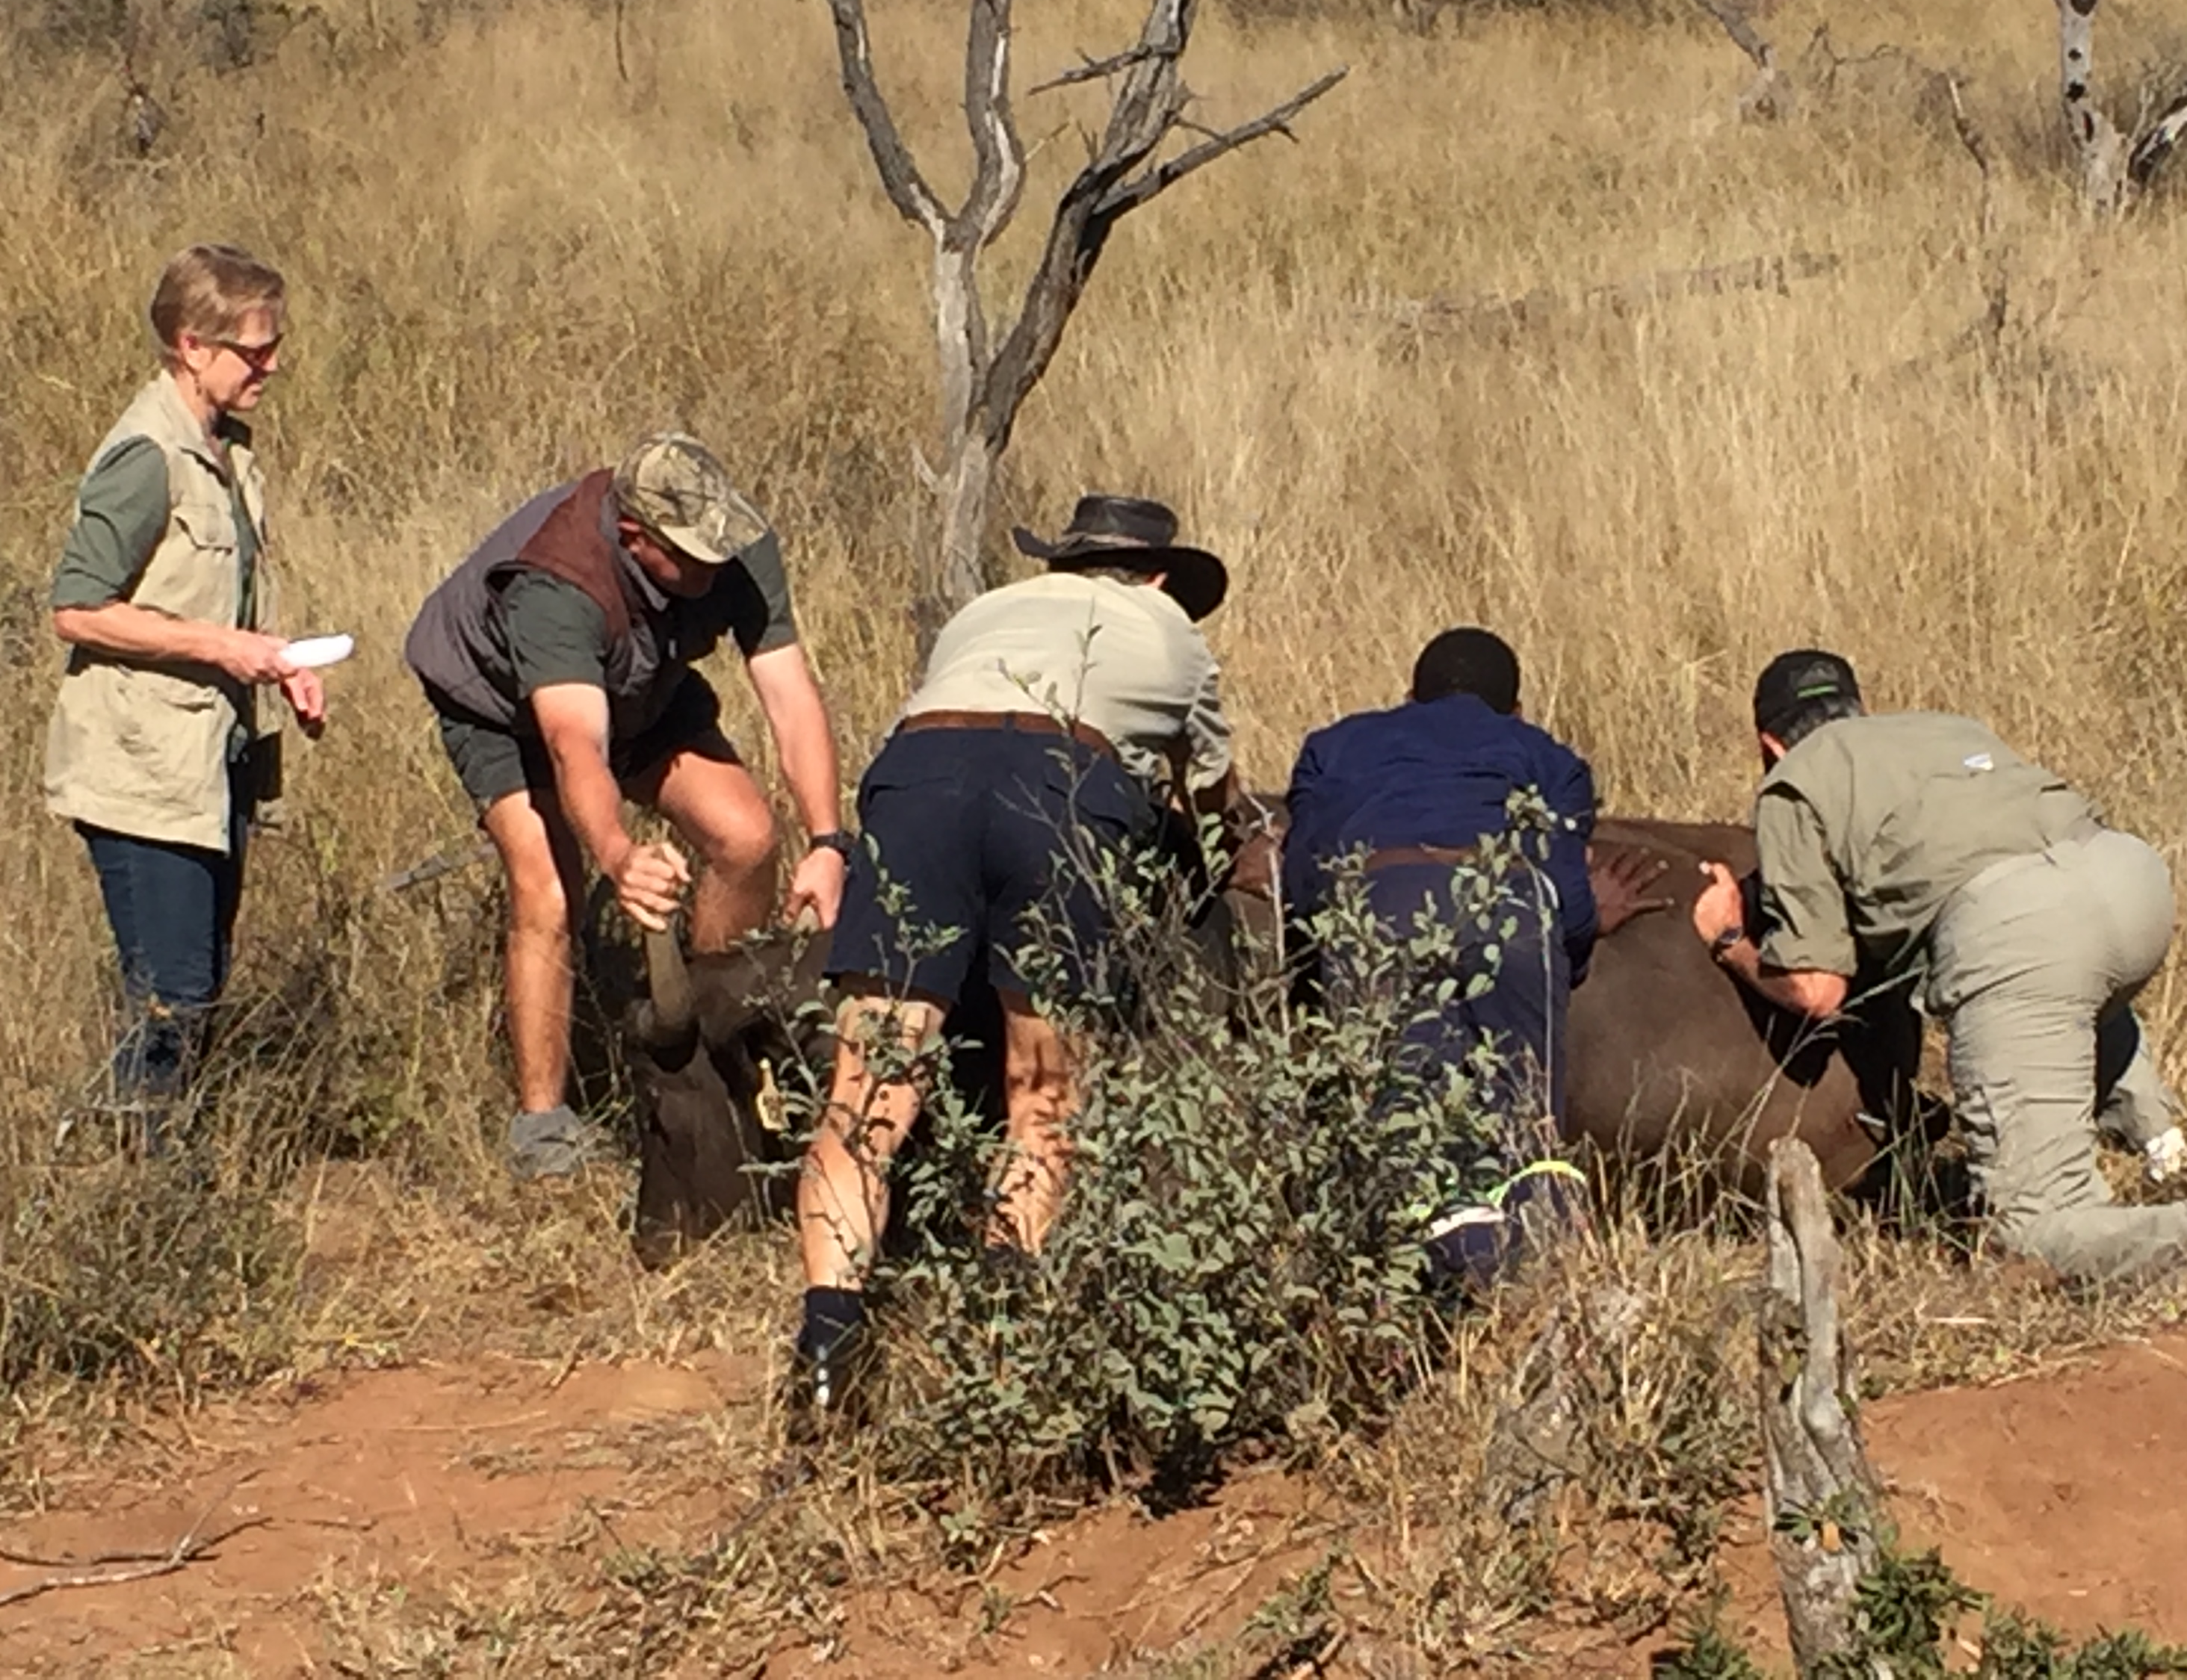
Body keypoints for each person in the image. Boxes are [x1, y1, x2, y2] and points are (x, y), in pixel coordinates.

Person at [793, 495, 1240, 1409]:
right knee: (1043, 1097)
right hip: (1062, 783)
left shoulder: (982, 611)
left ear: (1062, 566)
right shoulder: (1169, 630)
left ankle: (828, 1356)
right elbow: (1214, 801)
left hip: (919, 779)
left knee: (867, 1093)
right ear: (1157, 577)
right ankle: (1001, 1358)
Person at [405, 435, 847, 1180]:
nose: (714, 564)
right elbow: (574, 743)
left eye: (719, 547)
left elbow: (790, 695)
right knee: (549, 889)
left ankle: (707, 1047)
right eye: (691, 555)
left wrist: (830, 841)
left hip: (642, 687)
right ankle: (543, 1130)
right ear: (637, 538)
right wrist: (619, 854)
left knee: (746, 836)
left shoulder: (730, 542)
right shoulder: (557, 585)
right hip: (501, 709)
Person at [1689, 648, 2187, 1283]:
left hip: (2023, 935)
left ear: (1770, 743)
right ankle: (2163, 1145)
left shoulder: (1793, 785)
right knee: (2074, 986)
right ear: (1858, 707)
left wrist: (1730, 938)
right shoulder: (1945, 727)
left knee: (2033, 1231)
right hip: (2132, 882)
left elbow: (1818, 992)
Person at [46, 244, 328, 1148]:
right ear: (189, 345)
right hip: (143, 774)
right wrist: (221, 647)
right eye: (253, 350)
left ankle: (162, 1168)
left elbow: (223, 594)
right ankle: (141, 1188)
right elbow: (77, 609)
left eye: (274, 344)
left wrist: (281, 662)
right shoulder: (146, 456)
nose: (271, 365)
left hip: (214, 768)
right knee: (169, 996)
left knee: (197, 987)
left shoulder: (227, 450)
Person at [1281, 627, 1664, 1289]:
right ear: (1515, 712)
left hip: (1376, 906)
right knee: (1524, 1125)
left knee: (1402, 1127)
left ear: (1408, 698)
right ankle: (1534, 1288)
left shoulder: (1333, 747)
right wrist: (1581, 927)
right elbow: (1569, 904)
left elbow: (1304, 886)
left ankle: (1417, 1302)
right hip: (1508, 909)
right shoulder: (1549, 757)